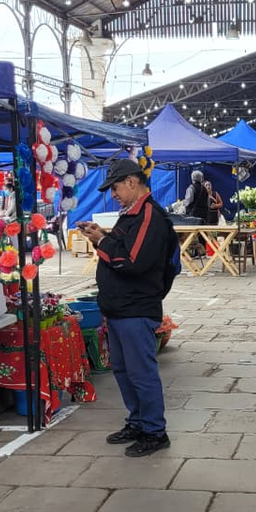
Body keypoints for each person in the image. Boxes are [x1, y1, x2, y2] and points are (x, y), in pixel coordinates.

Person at [77, 159, 180, 458]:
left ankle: (154, 432)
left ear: (133, 183)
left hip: (136, 309)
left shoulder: (150, 216)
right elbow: (124, 249)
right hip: (120, 309)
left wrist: (101, 242)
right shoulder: (131, 215)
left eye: (116, 187)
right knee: (123, 371)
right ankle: (137, 422)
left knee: (141, 373)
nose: (113, 194)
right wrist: (103, 236)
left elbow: (132, 262)